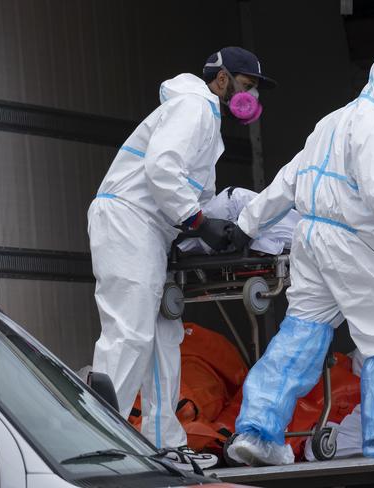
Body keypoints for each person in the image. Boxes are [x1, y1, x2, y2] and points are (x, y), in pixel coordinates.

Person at [226, 51, 374, 466]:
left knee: (301, 334)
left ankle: (257, 431)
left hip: (311, 239)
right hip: (353, 242)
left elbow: (289, 178)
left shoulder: (331, 122)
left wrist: (248, 223)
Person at [88, 46, 276, 470]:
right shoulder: (194, 107)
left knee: (163, 336)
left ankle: (163, 442)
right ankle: (100, 445)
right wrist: (197, 222)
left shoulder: (206, 121)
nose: (250, 101)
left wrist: (203, 223)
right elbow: (162, 169)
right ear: (223, 80)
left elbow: (189, 190)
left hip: (151, 231)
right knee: (130, 334)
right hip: (128, 221)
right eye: (247, 88)